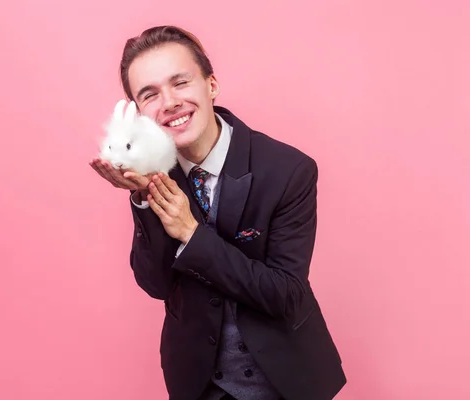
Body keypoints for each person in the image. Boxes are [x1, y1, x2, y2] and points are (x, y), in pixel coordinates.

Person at [89, 25, 346, 400]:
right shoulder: (153, 171)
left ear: (211, 85)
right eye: (150, 94)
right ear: (138, 113)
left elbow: (286, 295)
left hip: (286, 380)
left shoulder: (289, 170)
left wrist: (192, 234)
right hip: (198, 382)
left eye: (181, 82)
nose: (170, 102)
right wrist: (144, 199)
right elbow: (156, 285)